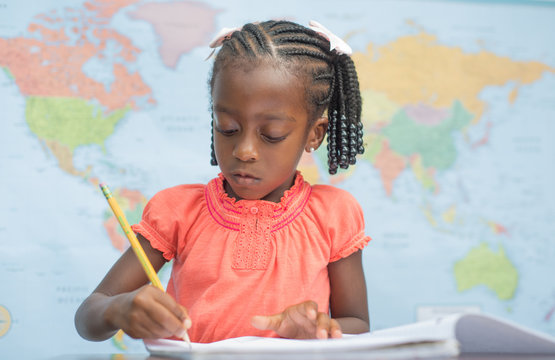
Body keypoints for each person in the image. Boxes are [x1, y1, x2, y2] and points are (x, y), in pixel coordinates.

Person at [75, 19, 371, 344]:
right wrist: (119, 308)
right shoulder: (178, 212)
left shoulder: (333, 215)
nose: (243, 151)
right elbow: (89, 316)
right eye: (227, 127)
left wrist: (322, 329)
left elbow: (357, 323)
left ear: (314, 135)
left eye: (272, 135)